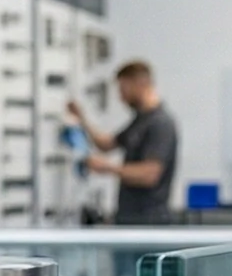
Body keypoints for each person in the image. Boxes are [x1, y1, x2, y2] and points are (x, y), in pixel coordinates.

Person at [67, 59, 179, 224]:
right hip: (129, 218)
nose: (121, 97)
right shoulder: (140, 121)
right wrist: (82, 119)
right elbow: (106, 144)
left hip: (149, 223)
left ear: (139, 84)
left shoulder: (160, 123)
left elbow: (149, 175)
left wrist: (107, 167)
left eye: (123, 88)